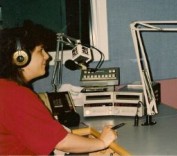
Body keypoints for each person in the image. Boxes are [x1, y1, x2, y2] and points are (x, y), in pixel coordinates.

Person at [0, 21, 117, 155]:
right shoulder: (15, 95)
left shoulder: (6, 89)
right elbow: (62, 142)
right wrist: (101, 142)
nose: (47, 56)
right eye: (40, 51)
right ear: (20, 58)